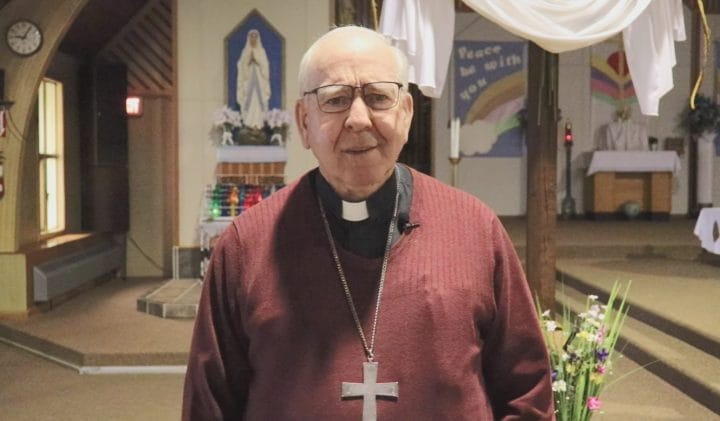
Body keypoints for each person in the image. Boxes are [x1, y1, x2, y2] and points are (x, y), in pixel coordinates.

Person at [183, 26, 554, 420]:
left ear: (406, 113)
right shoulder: (246, 246)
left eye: (378, 97)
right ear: (304, 121)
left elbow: (527, 393)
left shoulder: (475, 230)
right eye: (335, 99)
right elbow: (209, 405)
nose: (358, 119)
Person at [236, 29, 271, 129]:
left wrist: (257, 59)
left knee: (258, 103)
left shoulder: (261, 52)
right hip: (248, 83)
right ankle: (248, 124)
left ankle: (259, 125)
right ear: (249, 38)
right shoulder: (245, 52)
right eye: (252, 37)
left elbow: (265, 68)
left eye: (255, 37)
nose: (253, 39)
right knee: (249, 102)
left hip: (259, 83)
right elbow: (241, 67)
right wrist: (248, 61)